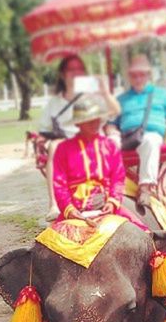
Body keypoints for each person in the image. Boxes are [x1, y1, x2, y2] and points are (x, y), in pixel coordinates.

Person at [39, 55, 120, 221]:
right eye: (71, 69)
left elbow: (114, 112)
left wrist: (104, 92)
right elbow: (44, 129)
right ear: (62, 74)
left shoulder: (92, 96)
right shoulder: (55, 102)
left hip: (97, 143)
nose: (76, 73)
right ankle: (54, 203)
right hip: (67, 144)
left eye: (79, 69)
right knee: (55, 146)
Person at [52, 95, 147, 231]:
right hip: (75, 209)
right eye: (88, 119)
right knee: (52, 245)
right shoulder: (63, 149)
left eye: (97, 118)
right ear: (78, 123)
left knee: (142, 233)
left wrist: (112, 202)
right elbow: (59, 184)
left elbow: (118, 179)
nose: (94, 123)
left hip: (105, 205)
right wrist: (69, 209)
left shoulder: (110, 146)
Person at [111, 54, 166, 208]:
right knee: (108, 143)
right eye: (134, 75)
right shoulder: (121, 99)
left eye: (141, 74)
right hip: (126, 137)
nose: (138, 78)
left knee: (150, 140)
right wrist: (112, 133)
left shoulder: (161, 94)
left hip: (151, 135)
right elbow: (111, 123)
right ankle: (108, 188)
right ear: (129, 76)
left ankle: (145, 187)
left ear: (148, 75)